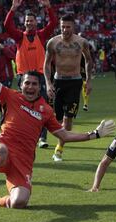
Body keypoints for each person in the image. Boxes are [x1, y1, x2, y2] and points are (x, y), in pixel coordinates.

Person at [0, 33, 115, 208]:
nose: (30, 87)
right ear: (21, 85)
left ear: (39, 87)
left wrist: (95, 134)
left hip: (24, 160)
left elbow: (64, 134)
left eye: (34, 84)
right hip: (6, 146)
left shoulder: (46, 111)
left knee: (19, 202)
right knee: (0, 151)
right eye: (27, 83)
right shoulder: (10, 96)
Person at [4, 0, 57, 148]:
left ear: (36, 22)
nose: (29, 23)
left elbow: (53, 23)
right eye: (27, 20)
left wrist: (48, 7)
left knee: (43, 107)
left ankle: (42, 138)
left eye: (32, 20)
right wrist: (13, 9)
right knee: (21, 107)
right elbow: (7, 26)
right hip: (23, 77)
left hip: (39, 77)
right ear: (24, 22)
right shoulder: (20, 37)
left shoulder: (41, 35)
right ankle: (23, 135)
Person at [44, 14, 93, 161]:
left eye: (68, 27)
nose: (65, 30)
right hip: (58, 81)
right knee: (57, 119)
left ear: (73, 27)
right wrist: (48, 83)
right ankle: (60, 141)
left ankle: (59, 149)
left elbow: (89, 61)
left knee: (68, 119)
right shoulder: (53, 42)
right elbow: (46, 64)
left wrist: (88, 80)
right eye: (62, 27)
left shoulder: (82, 42)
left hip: (75, 82)